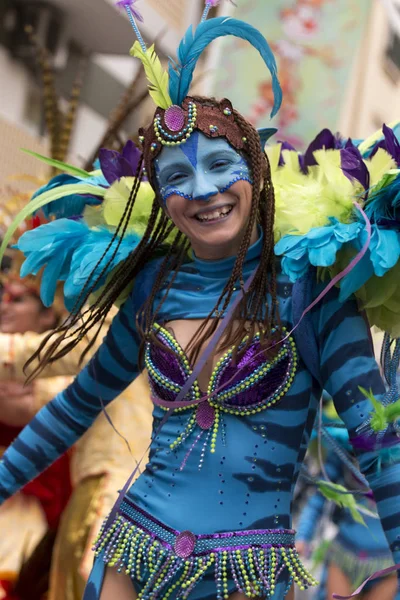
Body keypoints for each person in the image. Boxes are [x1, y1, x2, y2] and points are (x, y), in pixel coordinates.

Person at [0, 2, 400, 599]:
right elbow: (76, 407)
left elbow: (377, 443)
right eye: (177, 178)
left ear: (255, 173)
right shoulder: (154, 287)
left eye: (220, 165)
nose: (203, 190)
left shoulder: (312, 292)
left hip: (245, 577)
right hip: (131, 555)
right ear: (162, 199)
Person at [0, 253, 72, 599]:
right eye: (2, 296)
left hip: (37, 509)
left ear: (48, 314)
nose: (4, 306)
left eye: (18, 299)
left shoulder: (75, 368)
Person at [296, 401, 398, 600]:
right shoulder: (344, 447)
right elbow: (321, 495)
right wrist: (303, 537)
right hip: (344, 553)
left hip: (389, 564)